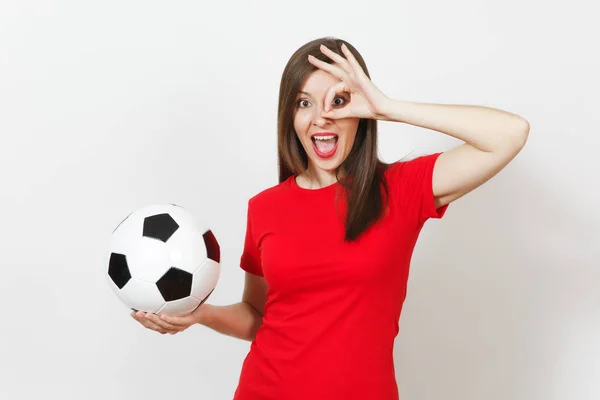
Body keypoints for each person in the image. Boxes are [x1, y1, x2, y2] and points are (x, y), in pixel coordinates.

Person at [131, 36, 530, 399]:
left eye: (338, 101)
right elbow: (259, 317)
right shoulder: (264, 207)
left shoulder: (400, 189)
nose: (321, 117)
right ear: (290, 116)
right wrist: (202, 315)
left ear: (361, 111)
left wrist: (387, 107)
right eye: (304, 103)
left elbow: (509, 133)